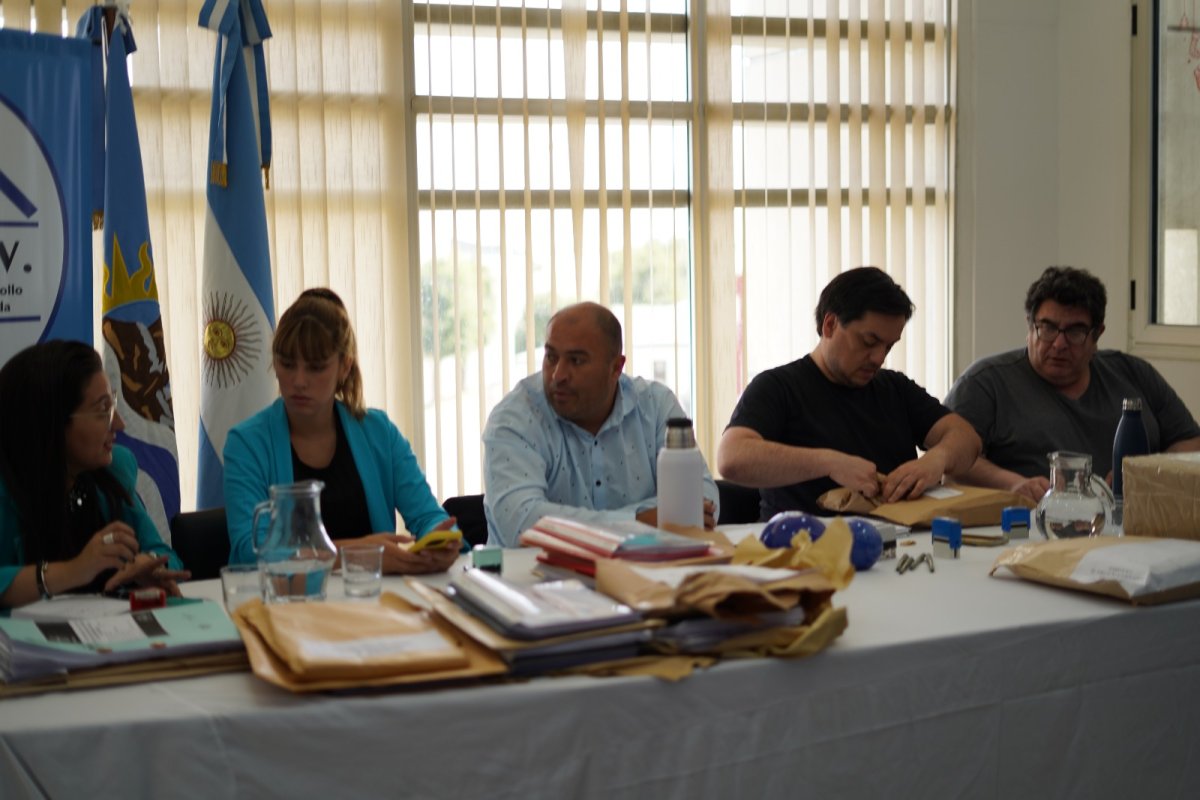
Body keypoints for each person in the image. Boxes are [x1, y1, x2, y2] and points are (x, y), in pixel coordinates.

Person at [224, 288, 458, 574]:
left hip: (371, 594)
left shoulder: (379, 432)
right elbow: (252, 553)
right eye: (287, 364)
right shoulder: (246, 444)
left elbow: (428, 516)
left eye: (315, 368)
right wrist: (359, 553)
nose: (299, 381)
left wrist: (441, 541)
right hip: (288, 598)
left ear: (344, 367)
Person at [718, 267, 981, 519]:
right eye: (868, 342)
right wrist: (828, 463)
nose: (878, 358)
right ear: (830, 325)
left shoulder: (895, 388)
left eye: (888, 347)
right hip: (804, 542)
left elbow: (967, 439)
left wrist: (937, 460)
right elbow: (731, 458)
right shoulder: (778, 387)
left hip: (899, 541)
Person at [945, 266, 1200, 502]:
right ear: (1030, 326)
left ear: (1097, 335)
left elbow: (1190, 441)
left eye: (1075, 332)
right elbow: (948, 460)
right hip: (1027, 523)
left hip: (1133, 520)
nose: (1059, 344)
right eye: (1048, 328)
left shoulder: (1133, 373)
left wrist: (1146, 474)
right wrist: (1013, 484)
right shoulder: (984, 383)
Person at [483, 301, 719, 547]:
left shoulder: (656, 405)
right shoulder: (514, 419)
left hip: (644, 567)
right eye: (551, 357)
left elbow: (703, 498)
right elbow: (521, 525)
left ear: (616, 368)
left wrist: (655, 519)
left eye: (576, 361)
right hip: (532, 570)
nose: (558, 375)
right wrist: (641, 521)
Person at [0, 341, 189, 608]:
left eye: (112, 405)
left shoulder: (112, 472)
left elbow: (164, 554)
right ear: (52, 423)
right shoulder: (6, 492)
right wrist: (74, 571)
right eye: (103, 410)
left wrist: (149, 565)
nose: (118, 424)